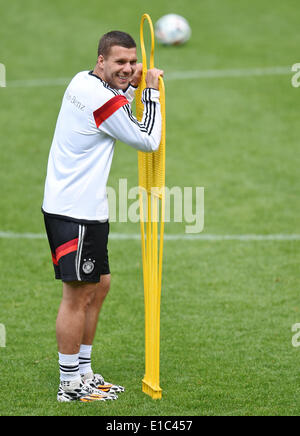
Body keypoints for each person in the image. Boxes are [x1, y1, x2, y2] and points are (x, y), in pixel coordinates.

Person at [42, 30, 163, 402]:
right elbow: (147, 139)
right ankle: (70, 385)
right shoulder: (104, 101)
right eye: (120, 63)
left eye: (131, 62)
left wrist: (129, 84)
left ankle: (85, 371)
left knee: (100, 285)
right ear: (101, 61)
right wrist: (151, 93)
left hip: (83, 208)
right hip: (74, 212)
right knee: (76, 296)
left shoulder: (82, 81)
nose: (128, 69)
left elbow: (112, 100)